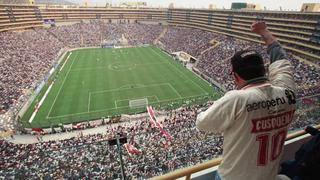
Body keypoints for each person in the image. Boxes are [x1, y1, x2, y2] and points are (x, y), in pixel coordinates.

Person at [196, 21, 296, 180]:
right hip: (268, 176)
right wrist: (265, 32)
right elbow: (281, 62)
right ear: (264, 70)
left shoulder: (237, 99)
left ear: (235, 76)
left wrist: (212, 107)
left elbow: (202, 123)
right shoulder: (288, 93)